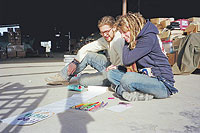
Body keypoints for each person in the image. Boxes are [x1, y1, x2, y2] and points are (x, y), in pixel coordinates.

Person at [107, 12, 178, 101]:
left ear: (133, 28)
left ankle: (120, 90)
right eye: (121, 33)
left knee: (128, 78)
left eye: (124, 32)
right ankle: (136, 91)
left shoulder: (148, 38)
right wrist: (117, 67)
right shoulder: (136, 38)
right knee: (111, 74)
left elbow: (127, 60)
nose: (122, 36)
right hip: (145, 78)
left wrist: (126, 42)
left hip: (162, 84)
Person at [45, 16, 124, 86]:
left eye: (107, 31)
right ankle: (63, 76)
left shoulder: (118, 40)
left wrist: (117, 67)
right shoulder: (106, 39)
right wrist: (75, 62)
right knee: (87, 55)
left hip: (118, 72)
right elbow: (86, 48)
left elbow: (126, 62)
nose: (105, 35)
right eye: (102, 33)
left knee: (82, 80)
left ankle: (92, 77)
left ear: (114, 28)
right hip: (111, 66)